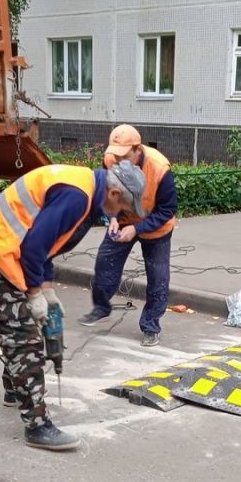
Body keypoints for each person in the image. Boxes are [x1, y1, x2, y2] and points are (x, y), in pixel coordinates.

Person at [0, 160, 146, 452]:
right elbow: (33, 247)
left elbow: (45, 245)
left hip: (1, 248)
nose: (123, 215)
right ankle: (37, 426)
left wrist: (48, 292)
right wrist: (34, 293)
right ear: (113, 194)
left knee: (21, 328)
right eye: (124, 208)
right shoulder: (78, 196)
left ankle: (14, 390)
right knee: (24, 340)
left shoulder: (87, 191)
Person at [78, 124, 177, 347]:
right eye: (115, 153)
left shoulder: (159, 168)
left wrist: (137, 229)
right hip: (122, 221)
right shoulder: (111, 160)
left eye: (124, 155)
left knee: (158, 276)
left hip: (156, 228)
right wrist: (110, 218)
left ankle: (151, 326)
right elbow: (105, 193)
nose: (119, 159)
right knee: (105, 261)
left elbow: (167, 210)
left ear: (137, 149)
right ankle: (101, 307)